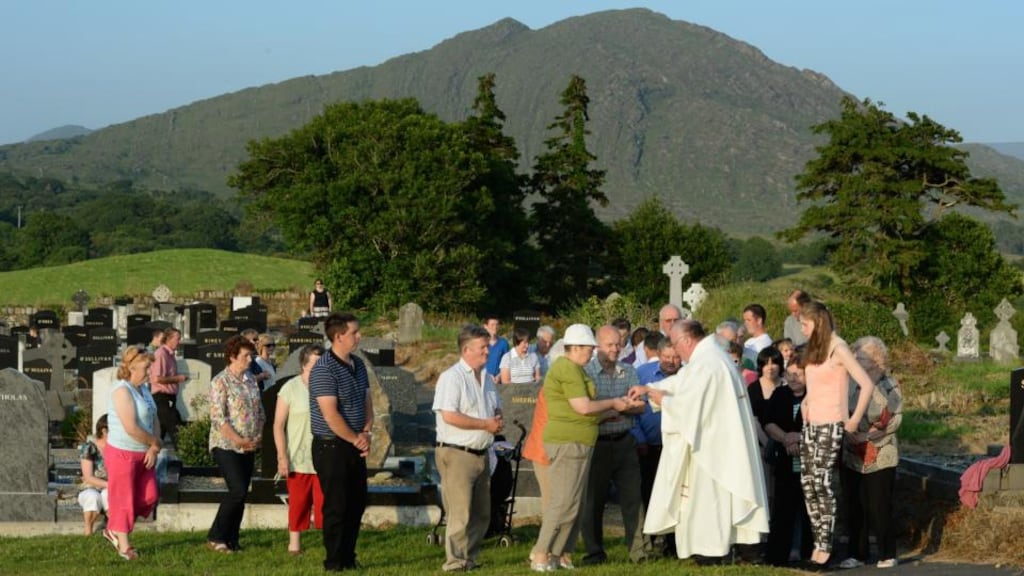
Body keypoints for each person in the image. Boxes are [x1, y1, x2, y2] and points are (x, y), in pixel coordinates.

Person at [637, 319, 769, 559]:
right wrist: (650, 389)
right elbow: (685, 383)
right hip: (718, 439)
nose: (675, 350)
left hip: (711, 446)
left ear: (687, 340)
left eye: (676, 344)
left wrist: (663, 400)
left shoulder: (708, 363)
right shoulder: (710, 358)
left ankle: (711, 550)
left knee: (709, 498)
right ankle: (722, 549)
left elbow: (691, 404)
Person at [529, 324, 639, 572]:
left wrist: (612, 410)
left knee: (574, 503)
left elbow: (585, 412)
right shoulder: (566, 368)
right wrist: (614, 402)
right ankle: (540, 552)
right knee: (562, 501)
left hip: (580, 440)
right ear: (575, 348)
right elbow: (583, 407)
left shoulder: (577, 370)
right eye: (589, 348)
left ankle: (557, 553)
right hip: (567, 442)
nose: (592, 353)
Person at [798, 301, 876, 567]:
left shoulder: (839, 348)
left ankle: (825, 547)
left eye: (805, 325)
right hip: (811, 424)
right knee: (808, 484)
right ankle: (816, 543)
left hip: (831, 423)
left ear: (817, 322)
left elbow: (865, 384)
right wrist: (807, 400)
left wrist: (852, 420)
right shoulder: (816, 349)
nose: (802, 330)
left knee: (823, 483)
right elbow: (817, 383)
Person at [432, 325, 503, 572]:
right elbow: (450, 415)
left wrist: (496, 417)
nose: (488, 351)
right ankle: (455, 562)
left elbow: (495, 407)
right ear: (466, 349)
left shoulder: (487, 378)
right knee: (460, 512)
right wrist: (485, 423)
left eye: (487, 346)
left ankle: (468, 558)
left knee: (482, 512)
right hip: (456, 452)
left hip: (481, 453)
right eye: (483, 347)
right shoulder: (451, 377)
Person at [310, 312, 372, 572]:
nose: (359, 337)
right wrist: (355, 438)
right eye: (354, 333)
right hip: (332, 445)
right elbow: (330, 413)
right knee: (336, 505)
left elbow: (367, 400)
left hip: (356, 443)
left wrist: (367, 431)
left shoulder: (357, 364)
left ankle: (349, 555)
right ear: (338, 336)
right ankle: (334, 561)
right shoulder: (324, 368)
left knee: (356, 503)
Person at [581, 325, 648, 565]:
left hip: (624, 441)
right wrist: (615, 407)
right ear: (598, 345)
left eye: (618, 344)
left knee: (632, 498)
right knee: (593, 501)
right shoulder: (586, 372)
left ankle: (638, 552)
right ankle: (594, 552)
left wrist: (625, 407)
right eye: (610, 344)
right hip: (597, 443)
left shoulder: (628, 371)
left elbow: (641, 406)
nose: (615, 349)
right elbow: (585, 409)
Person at [838, 336, 903, 570]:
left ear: (876, 359)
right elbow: (838, 406)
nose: (856, 358)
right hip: (851, 450)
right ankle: (856, 553)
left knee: (879, 505)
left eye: (862, 356)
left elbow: (895, 417)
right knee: (855, 504)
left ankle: (887, 552)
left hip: (880, 450)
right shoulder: (848, 380)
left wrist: (868, 436)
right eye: (855, 354)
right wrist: (848, 431)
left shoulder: (889, 383)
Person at [206, 335, 266, 553]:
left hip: (249, 444)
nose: (250, 359)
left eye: (251, 354)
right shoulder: (220, 382)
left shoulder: (250, 379)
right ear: (232, 357)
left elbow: (259, 411)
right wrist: (238, 439)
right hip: (226, 444)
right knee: (237, 490)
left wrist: (258, 436)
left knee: (242, 492)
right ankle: (216, 536)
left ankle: (232, 538)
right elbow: (218, 418)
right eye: (246, 355)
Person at [103, 347, 161, 561]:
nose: (150, 372)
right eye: (146, 367)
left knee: (149, 496)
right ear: (131, 367)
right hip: (122, 453)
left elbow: (154, 419)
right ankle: (124, 546)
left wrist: (154, 447)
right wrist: (154, 442)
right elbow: (131, 427)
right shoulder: (122, 390)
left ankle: (114, 529)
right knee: (123, 500)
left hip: (144, 453)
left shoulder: (144, 390)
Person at [273, 343, 326, 556]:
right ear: (304, 365)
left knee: (326, 501)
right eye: (314, 363)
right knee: (298, 501)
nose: (318, 367)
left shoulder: (328, 385)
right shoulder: (290, 388)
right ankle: (294, 544)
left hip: (324, 454)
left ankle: (328, 543)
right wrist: (282, 456)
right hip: (298, 455)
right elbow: (278, 425)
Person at [631, 337, 680, 556]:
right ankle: (648, 541)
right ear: (658, 355)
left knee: (676, 494)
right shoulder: (643, 374)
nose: (671, 361)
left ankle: (673, 543)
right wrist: (640, 438)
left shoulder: (687, 376)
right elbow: (633, 409)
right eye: (667, 357)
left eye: (676, 357)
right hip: (650, 447)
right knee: (648, 494)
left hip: (677, 447)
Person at [763, 350, 812, 566]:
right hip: (784, 460)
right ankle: (777, 555)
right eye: (790, 374)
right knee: (783, 508)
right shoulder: (780, 394)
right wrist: (786, 439)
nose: (793, 379)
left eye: (798, 375)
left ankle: (809, 553)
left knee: (809, 509)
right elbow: (768, 421)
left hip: (810, 459)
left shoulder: (816, 395)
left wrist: (800, 438)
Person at [148, 327, 186, 445]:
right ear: (169, 339)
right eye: (177, 339)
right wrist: (177, 379)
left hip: (169, 399)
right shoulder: (161, 354)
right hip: (162, 398)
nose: (179, 342)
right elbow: (157, 378)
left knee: (159, 434)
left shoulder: (170, 354)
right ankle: (185, 459)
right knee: (178, 432)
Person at [79, 415, 109, 536]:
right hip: (90, 486)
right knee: (93, 497)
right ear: (104, 430)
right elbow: (88, 477)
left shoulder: (117, 448)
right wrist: (109, 484)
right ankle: (88, 530)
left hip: (109, 486)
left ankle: (113, 530)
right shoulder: (89, 447)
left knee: (109, 494)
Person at [482, 315, 509, 385]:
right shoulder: (480, 343)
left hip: (498, 381)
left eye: (497, 325)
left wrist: (499, 376)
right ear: (485, 326)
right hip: (482, 379)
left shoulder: (504, 343)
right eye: (492, 325)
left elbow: (507, 363)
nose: (495, 327)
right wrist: (487, 376)